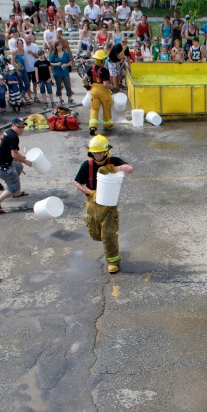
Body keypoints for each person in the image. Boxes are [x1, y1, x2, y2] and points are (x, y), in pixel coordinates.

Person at [74, 135, 134, 274]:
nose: (98, 155)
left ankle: (113, 261)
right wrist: (91, 192)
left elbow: (129, 169)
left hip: (109, 205)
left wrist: (113, 168)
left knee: (108, 234)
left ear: (106, 151)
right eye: (95, 153)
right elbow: (79, 184)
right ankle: (108, 247)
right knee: (96, 235)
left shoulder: (113, 161)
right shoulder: (87, 165)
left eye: (100, 152)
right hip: (93, 205)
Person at [0, 117, 33, 213]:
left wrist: (21, 157)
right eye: (19, 127)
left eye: (23, 127)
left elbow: (13, 152)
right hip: (1, 166)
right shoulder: (13, 137)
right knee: (13, 186)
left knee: (18, 166)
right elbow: (14, 155)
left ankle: (17, 193)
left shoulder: (8, 133)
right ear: (13, 125)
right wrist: (26, 161)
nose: (21, 129)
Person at [83, 49, 113, 136]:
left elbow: (84, 79)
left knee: (94, 109)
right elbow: (105, 84)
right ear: (102, 60)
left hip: (93, 90)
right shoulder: (105, 70)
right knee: (107, 106)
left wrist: (88, 87)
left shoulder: (91, 68)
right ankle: (107, 124)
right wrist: (112, 88)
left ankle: (92, 126)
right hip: (103, 91)